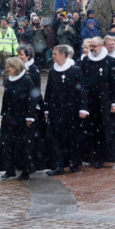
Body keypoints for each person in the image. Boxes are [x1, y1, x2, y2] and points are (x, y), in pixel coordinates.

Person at [43, 45, 87, 175]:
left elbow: (82, 90)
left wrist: (83, 108)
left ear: (63, 55)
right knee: (56, 138)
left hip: (72, 110)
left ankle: (75, 163)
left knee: (73, 137)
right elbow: (49, 91)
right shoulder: (52, 72)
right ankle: (58, 165)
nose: (53, 56)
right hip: (56, 110)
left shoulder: (75, 70)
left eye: (55, 54)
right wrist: (46, 108)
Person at [80, 37, 115, 169]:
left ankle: (104, 157)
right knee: (91, 130)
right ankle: (92, 156)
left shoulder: (110, 61)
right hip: (90, 102)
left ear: (101, 46)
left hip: (106, 101)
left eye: (95, 46)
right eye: (91, 46)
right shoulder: (86, 61)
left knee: (105, 130)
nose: (92, 49)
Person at [0, 57, 38, 181]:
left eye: (9, 66)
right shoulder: (9, 81)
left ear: (15, 67)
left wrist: (30, 116)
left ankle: (25, 170)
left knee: (23, 144)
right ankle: (10, 169)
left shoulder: (27, 80)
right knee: (7, 143)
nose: (7, 69)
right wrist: (3, 113)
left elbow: (32, 99)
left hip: (22, 117)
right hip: (9, 116)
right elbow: (5, 98)